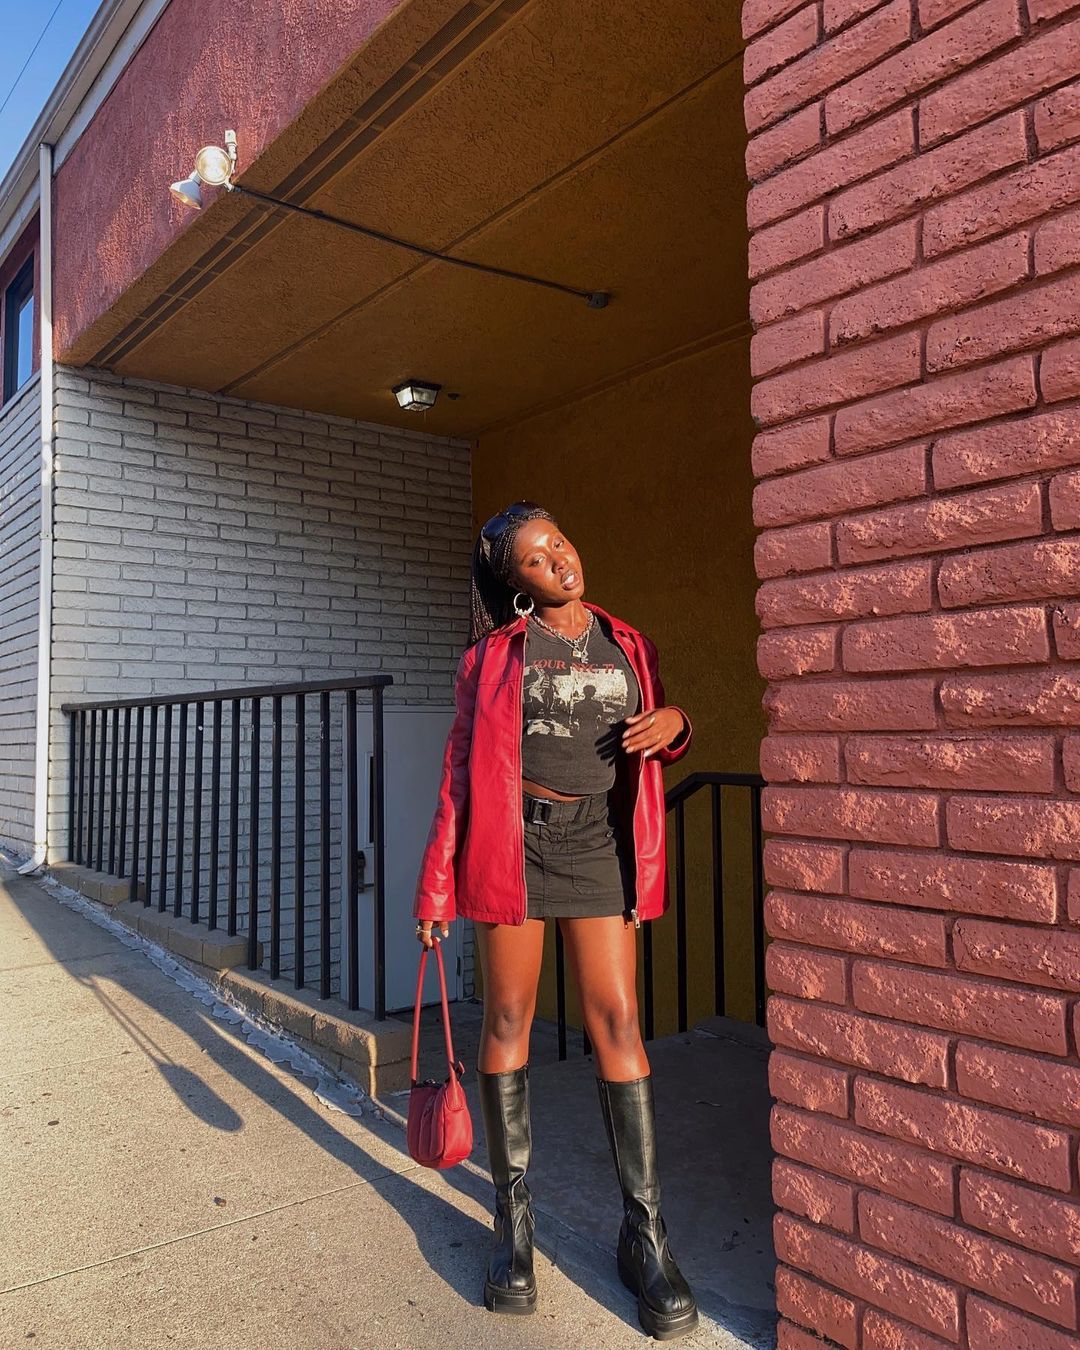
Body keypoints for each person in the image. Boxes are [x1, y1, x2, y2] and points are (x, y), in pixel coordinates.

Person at [412, 500, 698, 1340]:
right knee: (508, 1020)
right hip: (516, 848)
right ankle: (514, 1230)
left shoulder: (628, 641)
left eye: (560, 542)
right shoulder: (492, 658)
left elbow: (657, 726)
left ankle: (645, 1236)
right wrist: (435, 891)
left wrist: (679, 724)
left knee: (618, 1022)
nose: (560, 560)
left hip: (600, 845)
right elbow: (457, 776)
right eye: (537, 559)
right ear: (517, 584)